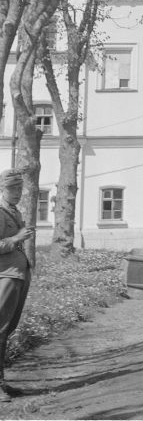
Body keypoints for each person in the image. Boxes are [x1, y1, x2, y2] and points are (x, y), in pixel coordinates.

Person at [0, 169, 33, 402]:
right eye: (12, 188)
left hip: (17, 275)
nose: (17, 193)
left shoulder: (14, 211)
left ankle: (1, 380)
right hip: (5, 276)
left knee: (6, 330)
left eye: (20, 188)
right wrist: (17, 239)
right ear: (2, 188)